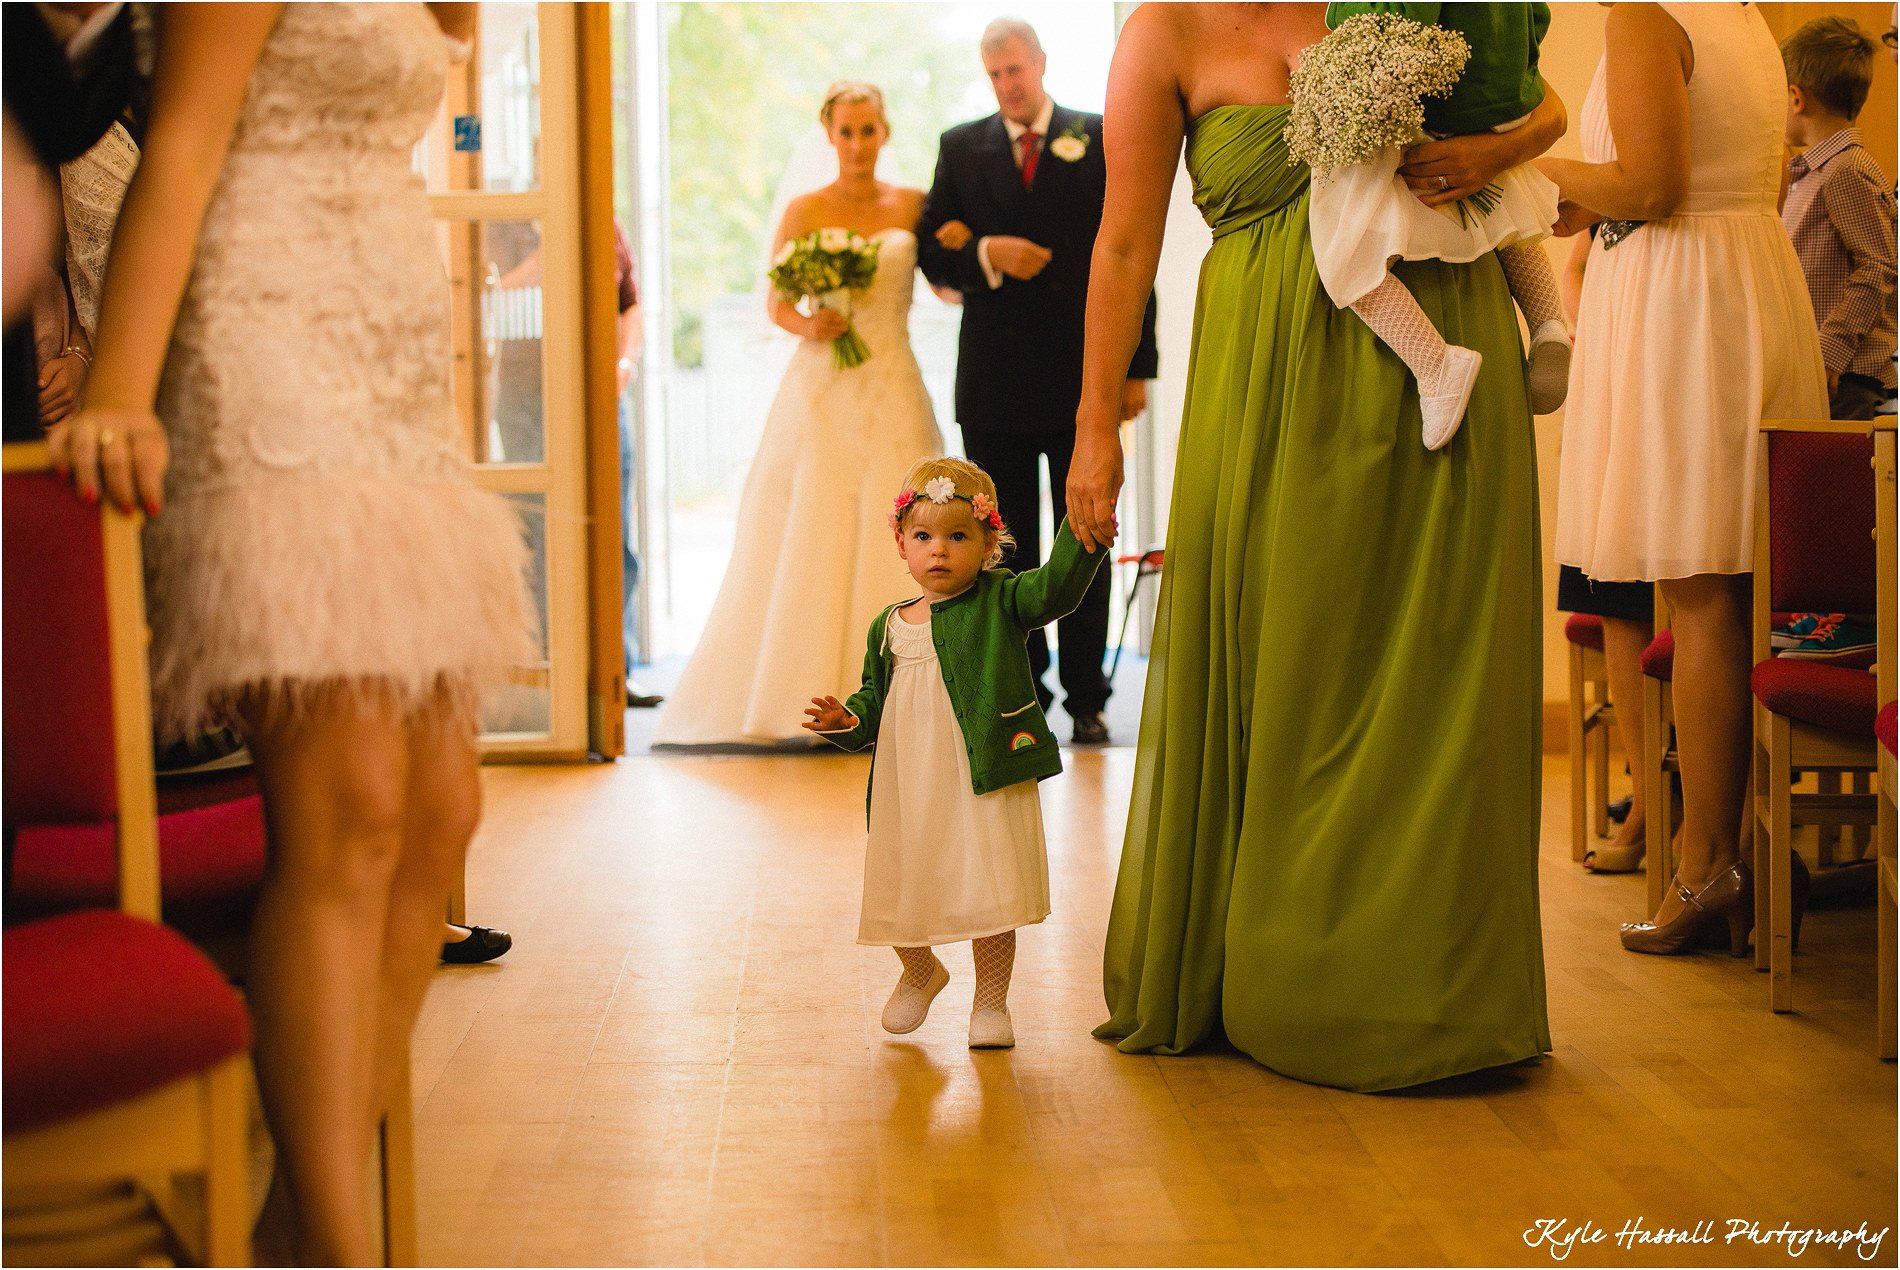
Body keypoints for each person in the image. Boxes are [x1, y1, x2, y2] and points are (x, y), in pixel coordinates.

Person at [46, 6, 536, 1262]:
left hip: (389, 339)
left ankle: (290, 1231)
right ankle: (338, 1239)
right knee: (352, 800)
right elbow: (185, 147)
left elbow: (443, 32)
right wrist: (119, 393)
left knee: (440, 811)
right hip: (260, 334)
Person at [1072, 2, 1558, 1091]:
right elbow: (1120, 240)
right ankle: (1291, 969)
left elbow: (1540, 100)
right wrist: (1093, 423)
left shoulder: (1392, 1)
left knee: (1447, 668)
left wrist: (1499, 146)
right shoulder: (1168, 31)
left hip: (1449, 345)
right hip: (1273, 377)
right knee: (1299, 655)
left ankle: (1438, 983)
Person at [1539, 2, 1827, 955]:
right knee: (1739, 582)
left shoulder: (1642, 11)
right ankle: (1739, 849)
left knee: (1699, 591)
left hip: (1682, 297)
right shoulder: (1744, 16)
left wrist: (1522, 174)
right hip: (1743, 276)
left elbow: (1653, 186)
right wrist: (1602, 192)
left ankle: (1708, 863)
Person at [653, 82, 942, 747]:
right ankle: (809, 689)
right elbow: (775, 304)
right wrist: (810, 325)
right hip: (824, 385)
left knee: (900, 516)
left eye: (869, 130)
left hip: (894, 377)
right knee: (817, 519)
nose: (859, 144)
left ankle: (910, 692)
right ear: (828, 134)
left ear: (885, 132)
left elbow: (941, 279)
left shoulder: (912, 205)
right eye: (847, 131)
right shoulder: (805, 209)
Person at [803, 456, 1105, 1049]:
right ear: (901, 544)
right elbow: (873, 700)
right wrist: (847, 720)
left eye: (958, 536)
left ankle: (990, 1003)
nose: (938, 551)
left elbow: (1057, 589)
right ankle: (920, 970)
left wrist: (1082, 531)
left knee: (989, 886)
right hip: (909, 781)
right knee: (900, 876)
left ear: (990, 542)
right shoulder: (887, 625)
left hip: (981, 772)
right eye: (924, 537)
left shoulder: (1003, 602)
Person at [916, 17, 1157, 747]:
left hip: (1083, 377)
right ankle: (1026, 687)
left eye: (1015, 70)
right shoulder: (962, 148)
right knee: (1003, 544)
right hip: (993, 382)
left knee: (1083, 536)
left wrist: (1134, 368)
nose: (1006, 86)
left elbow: (1134, 254)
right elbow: (932, 250)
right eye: (993, 75)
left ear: (1041, 64)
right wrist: (986, 251)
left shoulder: (1096, 135)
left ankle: (1089, 694)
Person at [1306, 2, 1573, 449]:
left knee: (1344, 245)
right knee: (1504, 210)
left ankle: (1435, 365)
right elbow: (1538, 18)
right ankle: (1547, 322)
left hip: (1439, 102)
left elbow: (1401, 11)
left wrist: (1342, 14)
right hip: (1509, 105)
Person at [1779, 16, 1896, 423]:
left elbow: (1879, 266)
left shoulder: (1846, 170)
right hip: (1823, 373)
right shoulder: (1812, 174)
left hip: (1845, 378)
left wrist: (1830, 351)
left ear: (1796, 98)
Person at [612, 214, 662, 709]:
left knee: (617, 540)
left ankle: (617, 671)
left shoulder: (608, 226)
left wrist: (623, 364)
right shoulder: (511, 224)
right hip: (530, 398)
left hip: (608, 395)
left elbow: (631, 306)